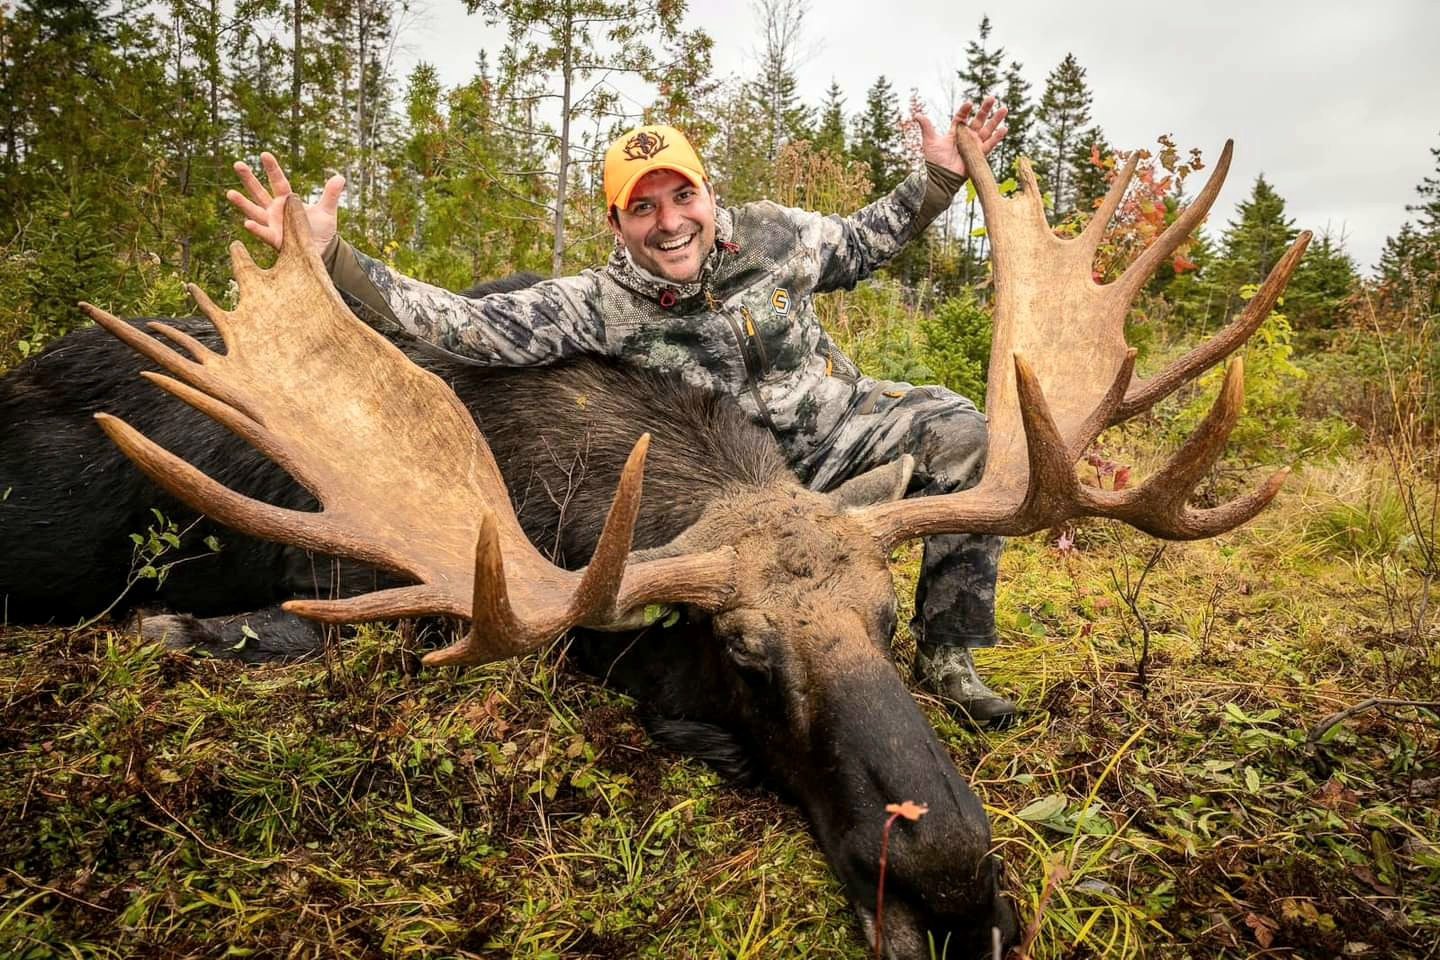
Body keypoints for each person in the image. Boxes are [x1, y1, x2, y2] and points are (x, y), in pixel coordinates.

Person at [227, 98, 1017, 727]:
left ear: (709, 192)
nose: (670, 222)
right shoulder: (598, 305)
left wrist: (938, 180)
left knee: (959, 434)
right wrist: (334, 256)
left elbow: (863, 243)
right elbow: (461, 326)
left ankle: (948, 656)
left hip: (837, 440)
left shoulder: (776, 236)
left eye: (683, 196)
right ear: (616, 224)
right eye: (643, 209)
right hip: (724, 482)